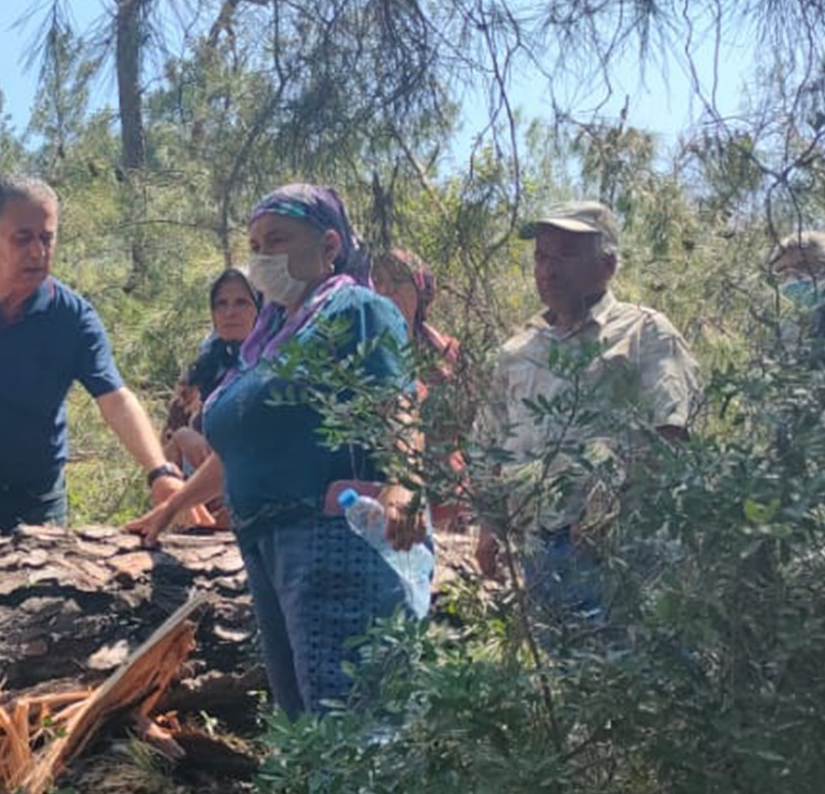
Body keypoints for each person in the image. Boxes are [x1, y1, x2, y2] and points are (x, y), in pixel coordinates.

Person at [129, 185, 422, 719]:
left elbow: (394, 402)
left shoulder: (356, 309)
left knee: (349, 718)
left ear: (329, 244)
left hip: (331, 538)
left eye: (279, 240)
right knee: (303, 716)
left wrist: (403, 486)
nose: (263, 256)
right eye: (256, 243)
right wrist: (172, 505)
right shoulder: (271, 338)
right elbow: (241, 450)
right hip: (265, 543)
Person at [0, 177, 188, 542]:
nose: (37, 251)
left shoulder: (74, 317)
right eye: (23, 238)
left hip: (38, 502)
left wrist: (159, 471)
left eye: (46, 238)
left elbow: (115, 399)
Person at [471, 201, 700, 625]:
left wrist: (607, 513)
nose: (549, 270)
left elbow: (669, 435)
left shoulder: (644, 332)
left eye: (566, 255)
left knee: (628, 682)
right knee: (558, 683)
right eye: (542, 256)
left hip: (624, 554)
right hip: (540, 552)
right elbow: (489, 442)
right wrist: (489, 525)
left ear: (607, 265)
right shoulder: (518, 352)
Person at [370, 248, 467, 531]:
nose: (385, 290)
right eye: (377, 281)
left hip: (445, 495)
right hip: (386, 498)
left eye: (397, 282)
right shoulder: (364, 351)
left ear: (420, 290)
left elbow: (469, 422)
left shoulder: (447, 352)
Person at [160, 269, 261, 527]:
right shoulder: (199, 374)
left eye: (241, 302)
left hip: (255, 519)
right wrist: (182, 437)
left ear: (261, 309)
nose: (230, 312)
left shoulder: (274, 370)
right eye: (221, 304)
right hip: (193, 518)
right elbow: (164, 446)